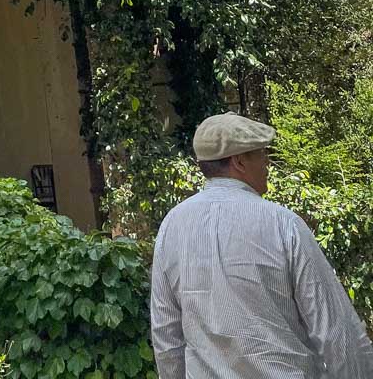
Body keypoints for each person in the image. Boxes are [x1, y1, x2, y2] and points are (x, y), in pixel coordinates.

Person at [151, 112, 373, 378]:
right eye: (261, 154)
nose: (267, 163)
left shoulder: (172, 227)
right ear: (239, 161)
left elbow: (167, 338)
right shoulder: (283, 225)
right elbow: (336, 331)